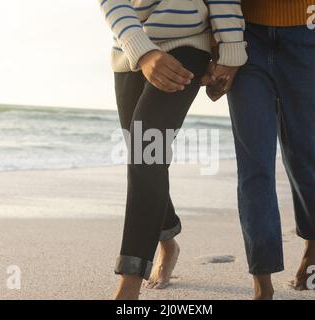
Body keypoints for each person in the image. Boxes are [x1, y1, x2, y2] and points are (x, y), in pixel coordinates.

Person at [98, 0, 247, 300]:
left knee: (144, 151)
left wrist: (230, 54)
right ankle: (168, 239)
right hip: (130, 45)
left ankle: (129, 286)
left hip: (188, 44)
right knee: (147, 157)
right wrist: (142, 51)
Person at [205, 0, 315, 299]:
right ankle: (262, 283)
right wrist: (218, 42)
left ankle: (313, 240)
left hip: (310, 30)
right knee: (254, 164)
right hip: (246, 35)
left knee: (304, 155)